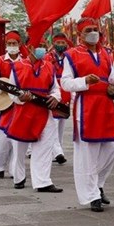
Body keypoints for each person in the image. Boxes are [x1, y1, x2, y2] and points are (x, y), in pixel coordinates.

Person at [59, 17, 114, 212]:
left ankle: (97, 183)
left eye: (95, 29)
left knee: (113, 147)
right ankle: (92, 196)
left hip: (106, 106)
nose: (93, 33)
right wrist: (84, 81)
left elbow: (113, 80)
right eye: (88, 30)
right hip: (86, 105)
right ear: (80, 34)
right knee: (88, 153)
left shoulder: (106, 54)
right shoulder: (72, 55)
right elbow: (65, 83)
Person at [5, 41, 64, 193]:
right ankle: (18, 177)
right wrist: (19, 98)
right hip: (24, 111)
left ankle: (43, 181)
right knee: (19, 148)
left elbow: (55, 88)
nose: (42, 49)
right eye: (39, 45)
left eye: (44, 45)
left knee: (45, 146)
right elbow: (11, 90)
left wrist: (55, 97)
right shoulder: (17, 67)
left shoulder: (49, 66)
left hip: (44, 111)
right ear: (30, 47)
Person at [0, 30, 25, 178]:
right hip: (4, 105)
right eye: (9, 44)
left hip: (20, 104)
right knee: (3, 140)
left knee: (17, 140)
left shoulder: (25, 61)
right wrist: (4, 89)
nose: (12, 46)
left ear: (19, 44)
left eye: (14, 43)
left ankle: (14, 170)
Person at [46, 32, 72, 165]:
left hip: (66, 90)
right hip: (54, 89)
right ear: (53, 44)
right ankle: (57, 151)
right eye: (58, 43)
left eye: (63, 43)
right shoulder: (48, 57)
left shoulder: (68, 57)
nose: (61, 45)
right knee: (54, 122)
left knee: (62, 122)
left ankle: (58, 149)